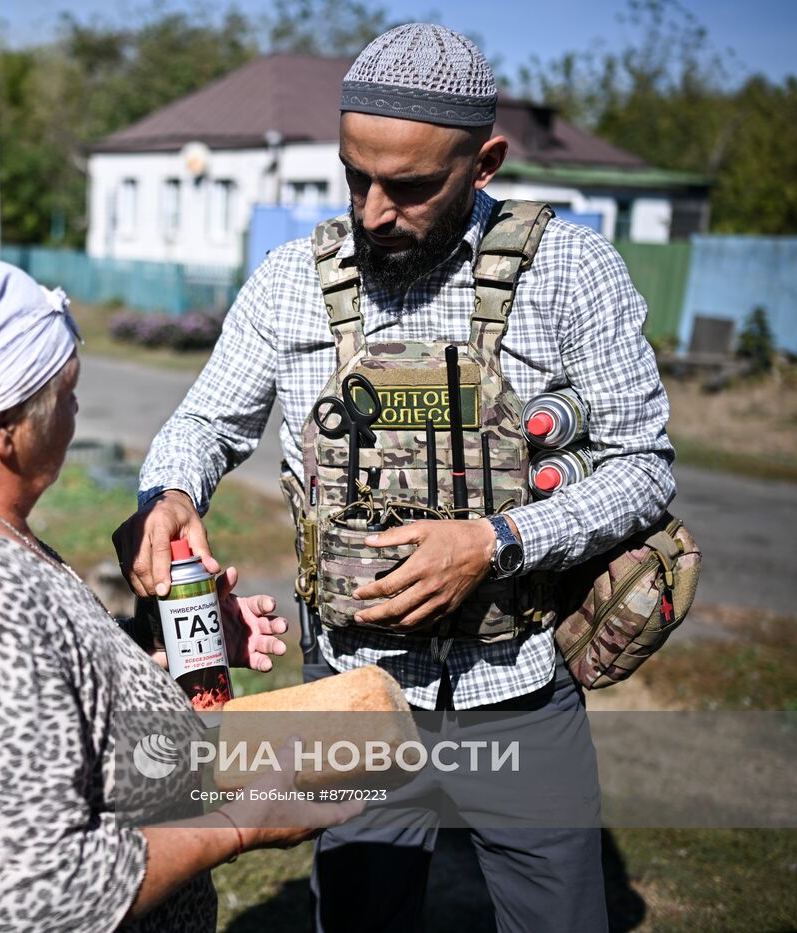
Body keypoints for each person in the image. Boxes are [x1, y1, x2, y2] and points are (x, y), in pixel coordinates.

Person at [114, 22, 676, 933]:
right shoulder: (292, 280)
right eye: (353, 176)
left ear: (484, 162)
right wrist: (170, 492)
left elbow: (642, 467)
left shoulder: (573, 272)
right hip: (352, 688)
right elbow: (206, 422)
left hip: (518, 685)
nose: (373, 211)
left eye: (410, 186)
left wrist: (496, 542)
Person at [0, 254, 362, 933]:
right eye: (68, 393)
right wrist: (241, 824)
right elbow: (43, 894)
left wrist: (173, 652)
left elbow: (45, 707)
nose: (77, 411)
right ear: (4, 431)